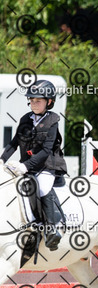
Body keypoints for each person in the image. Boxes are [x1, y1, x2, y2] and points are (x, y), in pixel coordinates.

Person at [1, 80, 67, 250]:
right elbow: (14, 143)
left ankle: (52, 229)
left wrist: (25, 166)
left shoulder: (53, 120)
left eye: (38, 100)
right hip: (27, 165)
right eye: (32, 100)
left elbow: (46, 150)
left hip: (47, 166)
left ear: (49, 102)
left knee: (43, 188)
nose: (34, 103)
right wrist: (2, 159)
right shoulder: (26, 119)